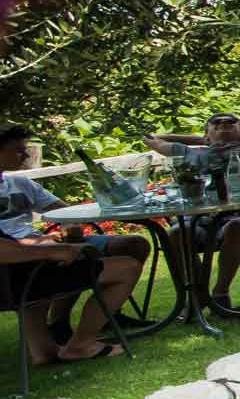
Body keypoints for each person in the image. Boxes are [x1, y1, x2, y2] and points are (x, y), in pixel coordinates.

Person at [0, 123, 142, 366]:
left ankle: (46, 347)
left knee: (131, 245)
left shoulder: (20, 183)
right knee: (126, 267)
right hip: (20, 273)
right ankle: (80, 345)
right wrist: (55, 250)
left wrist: (66, 231)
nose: (25, 155)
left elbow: (64, 211)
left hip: (24, 268)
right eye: (18, 150)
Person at [146, 111, 240, 307]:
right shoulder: (189, 152)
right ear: (206, 133)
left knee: (239, 227)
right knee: (177, 232)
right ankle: (199, 294)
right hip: (197, 218)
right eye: (216, 123)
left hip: (237, 215)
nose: (223, 124)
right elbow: (149, 137)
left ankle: (220, 293)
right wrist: (201, 141)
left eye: (231, 122)